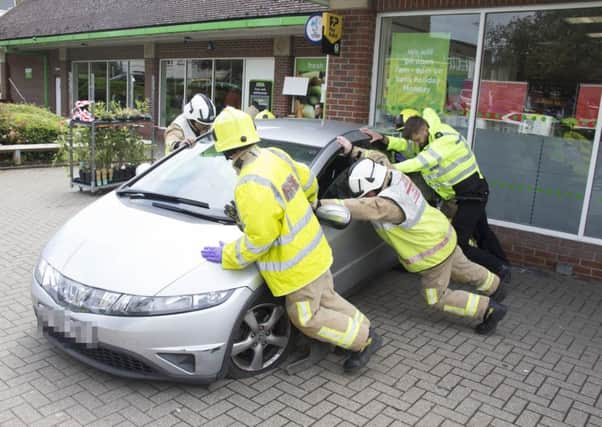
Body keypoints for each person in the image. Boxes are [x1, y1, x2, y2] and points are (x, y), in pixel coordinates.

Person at [200, 107, 382, 372]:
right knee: (328, 300)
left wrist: (228, 255)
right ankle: (366, 328)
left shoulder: (250, 183)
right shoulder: (274, 155)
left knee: (305, 317)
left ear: (227, 150)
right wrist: (308, 203)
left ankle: (363, 340)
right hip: (316, 251)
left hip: (296, 269)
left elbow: (260, 239)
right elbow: (308, 180)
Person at [320, 158, 508, 335]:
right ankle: (496, 287)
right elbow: (378, 157)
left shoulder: (387, 204)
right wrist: (356, 151)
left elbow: (366, 207)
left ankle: (488, 310)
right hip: (444, 234)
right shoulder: (393, 174)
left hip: (432, 253)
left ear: (374, 186)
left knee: (436, 298)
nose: (367, 196)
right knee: (464, 268)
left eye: (367, 193)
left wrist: (318, 203)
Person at [360, 108, 510, 282]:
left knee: (459, 241)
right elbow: (407, 146)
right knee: (482, 232)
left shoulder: (443, 139)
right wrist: (385, 140)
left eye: (417, 140)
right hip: (462, 196)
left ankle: (499, 268)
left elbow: (420, 162)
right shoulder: (425, 138)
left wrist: (389, 169)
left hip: (473, 195)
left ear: (423, 129)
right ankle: (503, 265)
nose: (416, 144)